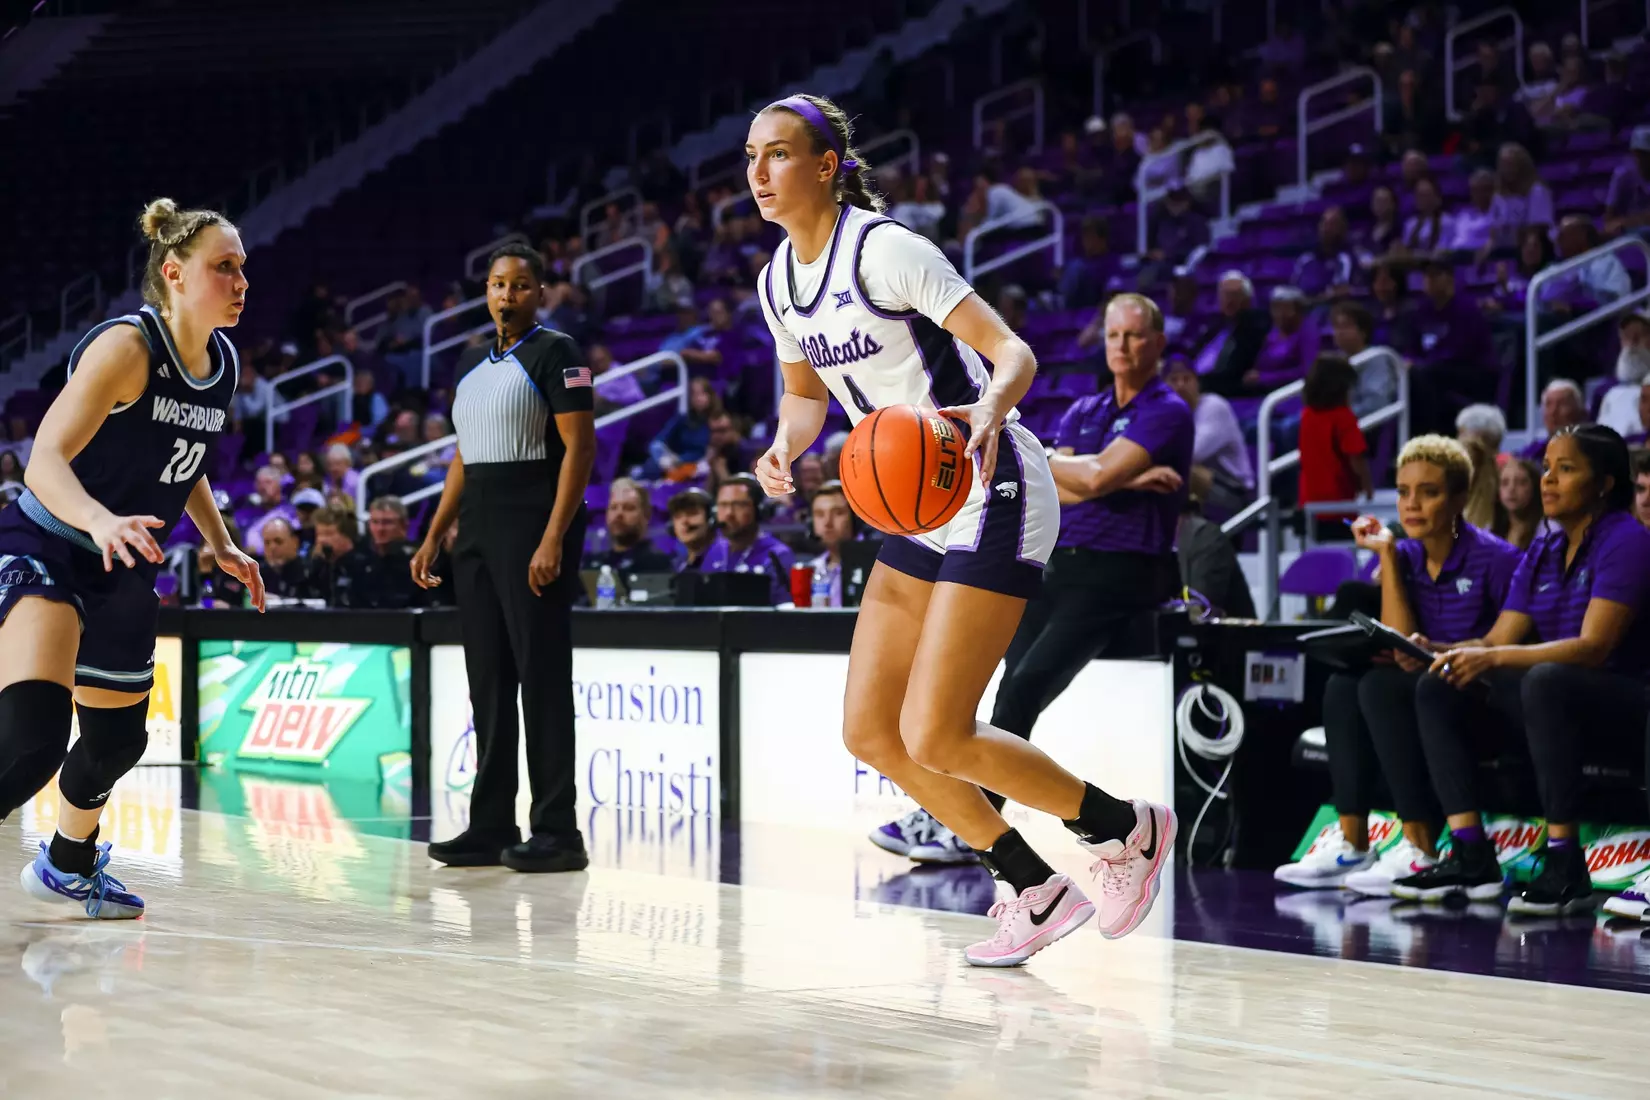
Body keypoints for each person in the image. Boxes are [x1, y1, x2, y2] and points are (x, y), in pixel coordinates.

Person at [748, 94, 1175, 966]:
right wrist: (786, 446)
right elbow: (804, 395)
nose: (758, 173)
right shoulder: (776, 282)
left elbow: (1013, 350)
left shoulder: (885, 249)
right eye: (751, 157)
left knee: (937, 731)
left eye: (779, 155)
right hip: (910, 501)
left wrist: (986, 407)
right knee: (871, 732)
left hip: (989, 479)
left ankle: (1123, 829)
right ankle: (1028, 881)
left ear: (826, 166)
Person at [0, 198, 263, 919]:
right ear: (174, 273)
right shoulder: (126, 347)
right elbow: (43, 460)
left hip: (123, 564)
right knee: (32, 742)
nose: (242, 281)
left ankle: (67, 865)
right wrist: (99, 518)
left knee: (116, 741)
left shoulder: (224, 363)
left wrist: (220, 541)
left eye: (243, 268)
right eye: (225, 267)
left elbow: (188, 459)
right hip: (50, 543)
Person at [1396, 426, 1650, 914]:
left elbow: (1593, 648)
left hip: (1625, 706)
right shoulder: (1544, 549)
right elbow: (1495, 642)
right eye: (1548, 468)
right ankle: (1470, 853)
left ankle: (1565, 864)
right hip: (1553, 705)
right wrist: (1443, 649)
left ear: (1604, 484)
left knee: (1545, 679)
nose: (1548, 480)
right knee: (1439, 684)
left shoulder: (1627, 542)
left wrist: (1489, 658)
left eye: (1566, 469)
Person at [413, 244, 595, 875]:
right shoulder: (470, 360)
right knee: (488, 682)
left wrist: (553, 538)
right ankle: (491, 824)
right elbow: (464, 455)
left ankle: (557, 830)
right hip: (479, 529)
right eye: (496, 284)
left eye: (520, 285)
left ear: (540, 292)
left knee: (541, 680)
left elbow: (580, 451)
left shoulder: (558, 353)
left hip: (532, 520)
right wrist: (436, 531)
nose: (506, 295)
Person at [1274, 437, 1518, 895]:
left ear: (1460, 498)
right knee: (1345, 686)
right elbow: (1400, 640)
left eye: (1428, 492)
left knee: (1379, 688)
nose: (1412, 504)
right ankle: (1352, 841)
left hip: (1481, 699)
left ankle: (1421, 844)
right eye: (1404, 492)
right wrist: (1386, 554)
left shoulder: (1498, 558)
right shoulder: (1404, 554)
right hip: (1425, 691)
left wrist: (1432, 648)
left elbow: (1505, 649)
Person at [1162, 356, 1251, 515]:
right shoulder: (1168, 415)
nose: (1181, 385)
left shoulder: (1214, 406)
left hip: (1237, 493)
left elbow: (1191, 453)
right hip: (1207, 490)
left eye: (1187, 379)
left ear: (1197, 383)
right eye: (1174, 380)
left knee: (1179, 470)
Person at [1297, 354, 1373, 539]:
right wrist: (1367, 486)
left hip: (1309, 502)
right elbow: (1356, 457)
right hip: (1339, 506)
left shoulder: (1307, 415)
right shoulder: (1343, 417)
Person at [700, 474, 795, 604]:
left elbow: (784, 611)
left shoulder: (777, 555)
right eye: (723, 505)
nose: (729, 513)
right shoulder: (714, 550)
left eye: (739, 505)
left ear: (758, 510)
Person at [589, 477, 674, 575]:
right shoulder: (592, 564)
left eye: (628, 508)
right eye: (613, 507)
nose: (618, 514)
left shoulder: (658, 565)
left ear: (646, 515)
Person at [804, 480, 859, 607]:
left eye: (838, 513)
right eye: (819, 514)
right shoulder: (813, 569)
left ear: (856, 518)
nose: (827, 523)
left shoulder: (877, 564)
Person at [1495, 457, 1543, 550]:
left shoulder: (1546, 531)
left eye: (1521, 482)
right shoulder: (1492, 530)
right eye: (1505, 483)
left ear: (1535, 487)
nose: (1511, 489)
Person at [258, 516, 310, 601]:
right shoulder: (259, 575)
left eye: (278, 541)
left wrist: (278, 601)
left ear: (295, 543)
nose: (272, 548)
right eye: (267, 543)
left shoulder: (308, 573)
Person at [667, 488, 718, 570]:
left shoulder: (724, 560)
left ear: (711, 518)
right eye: (678, 516)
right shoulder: (675, 566)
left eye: (692, 513)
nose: (684, 521)